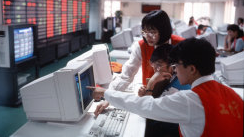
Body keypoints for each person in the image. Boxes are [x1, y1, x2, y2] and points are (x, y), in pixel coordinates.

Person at [88, 38, 243, 137]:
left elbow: (146, 106)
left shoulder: (191, 99)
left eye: (177, 65)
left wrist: (106, 93)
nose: (174, 69)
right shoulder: (232, 94)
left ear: (192, 69)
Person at [94, 10, 184, 116]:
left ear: (163, 30)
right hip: (149, 95)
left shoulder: (180, 44)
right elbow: (126, 76)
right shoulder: (141, 46)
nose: (147, 37)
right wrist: (108, 99)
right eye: (144, 32)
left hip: (175, 97)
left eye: (152, 32)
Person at [138, 44, 190, 137]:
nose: (155, 70)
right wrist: (147, 92)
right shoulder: (174, 78)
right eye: (154, 65)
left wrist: (150, 85)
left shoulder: (174, 89)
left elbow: (146, 112)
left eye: (158, 66)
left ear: (172, 66)